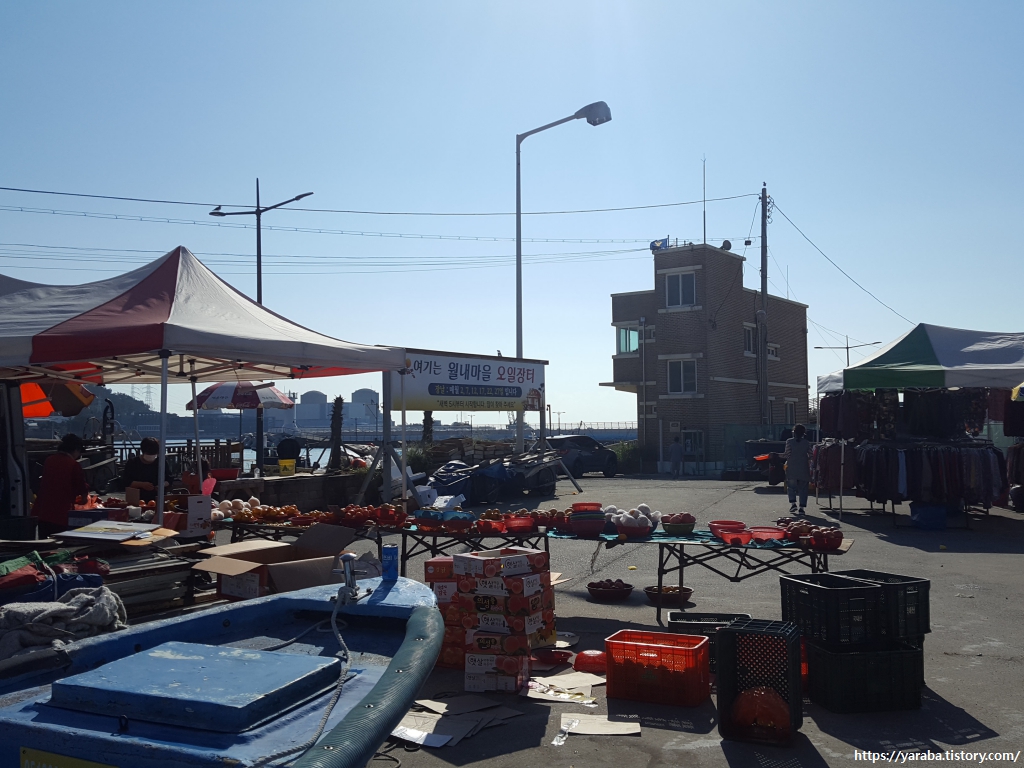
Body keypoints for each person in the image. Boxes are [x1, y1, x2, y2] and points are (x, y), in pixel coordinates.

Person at [32, 433, 89, 537]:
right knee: (59, 541)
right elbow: (81, 485)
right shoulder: (73, 464)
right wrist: (84, 498)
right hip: (61, 513)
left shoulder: (49, 460)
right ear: (76, 449)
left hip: (43, 511)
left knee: (44, 541)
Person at [121, 437, 171, 502]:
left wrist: (162, 485)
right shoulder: (133, 463)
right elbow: (126, 481)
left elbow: (170, 479)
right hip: (137, 498)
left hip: (158, 498)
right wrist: (142, 484)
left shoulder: (162, 462)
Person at [780, 424, 813, 515]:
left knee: (791, 487)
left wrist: (776, 455)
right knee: (803, 489)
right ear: (803, 433)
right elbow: (811, 455)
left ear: (793, 432)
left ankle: (793, 504)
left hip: (791, 467)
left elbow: (786, 455)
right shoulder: (807, 443)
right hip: (803, 468)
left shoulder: (789, 441)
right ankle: (802, 508)